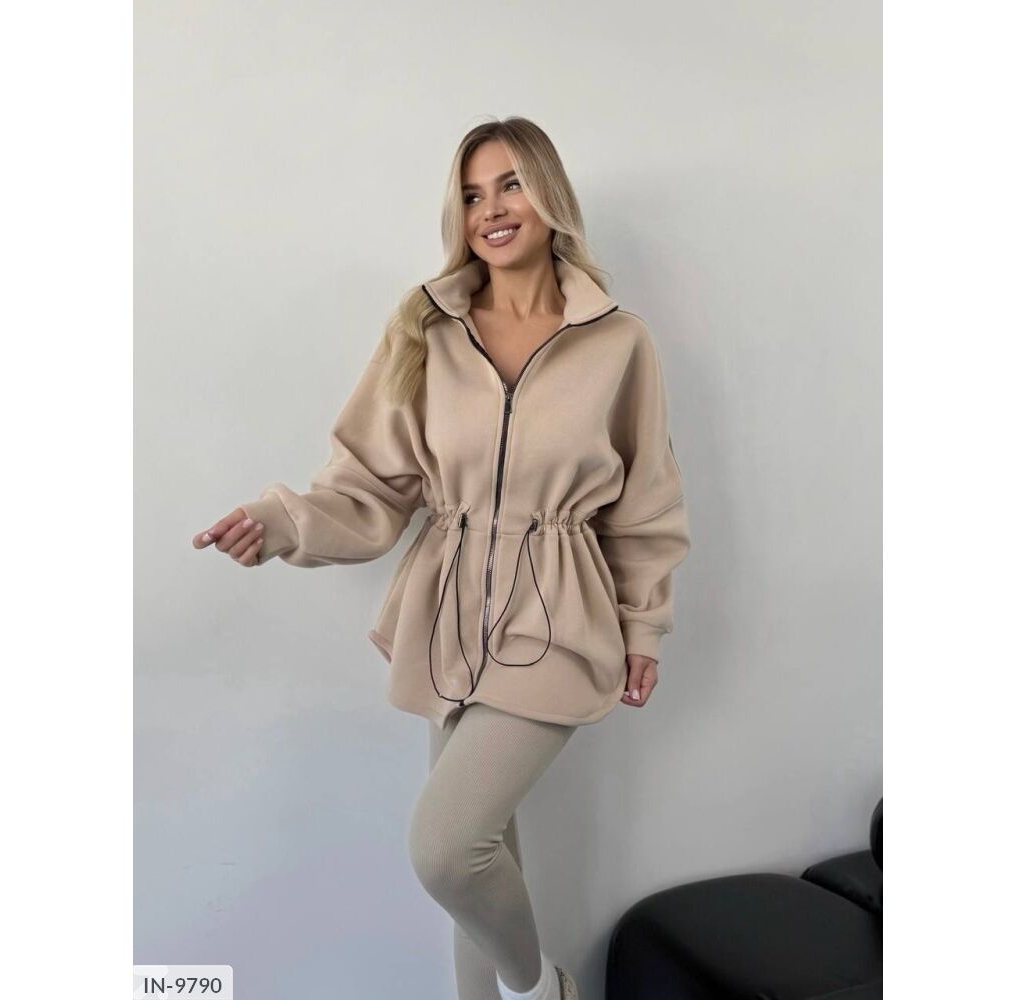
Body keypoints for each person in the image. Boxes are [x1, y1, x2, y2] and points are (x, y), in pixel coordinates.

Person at [193, 116, 691, 1000]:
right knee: (483, 864)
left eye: (509, 185)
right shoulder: (425, 327)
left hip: (559, 617)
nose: (489, 209)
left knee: (446, 851)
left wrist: (642, 625)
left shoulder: (619, 341)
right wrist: (280, 523)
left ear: (548, 194)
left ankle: (544, 991)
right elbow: (370, 485)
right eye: (469, 194)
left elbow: (644, 501)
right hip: (447, 616)